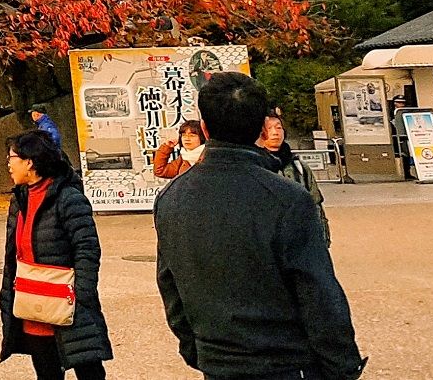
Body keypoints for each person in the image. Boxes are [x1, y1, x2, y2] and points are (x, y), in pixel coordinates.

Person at [155, 72, 364, 380]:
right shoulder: (288, 199)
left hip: (218, 360)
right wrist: (341, 365)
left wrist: (197, 351)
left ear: (205, 128)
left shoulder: (172, 198)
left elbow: (170, 286)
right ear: (261, 129)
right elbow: (318, 294)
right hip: (287, 362)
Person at [1, 132, 111, 380]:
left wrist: (81, 296)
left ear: (29, 162)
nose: (9, 164)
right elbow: (12, 257)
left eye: (12, 158)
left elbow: (87, 249)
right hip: (34, 308)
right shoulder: (19, 199)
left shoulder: (68, 198)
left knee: (89, 371)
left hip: (70, 306)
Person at [258, 109, 329, 243]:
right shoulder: (256, 166)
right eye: (269, 128)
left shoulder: (299, 167)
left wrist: (322, 239)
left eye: (279, 128)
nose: (275, 132)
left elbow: (315, 204)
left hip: (299, 239)